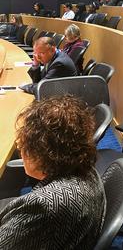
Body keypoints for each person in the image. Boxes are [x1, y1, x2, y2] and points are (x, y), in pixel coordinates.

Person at [0, 95, 105, 249]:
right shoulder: (87, 169)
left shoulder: (44, 206)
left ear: (43, 154)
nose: (20, 151)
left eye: (22, 146)